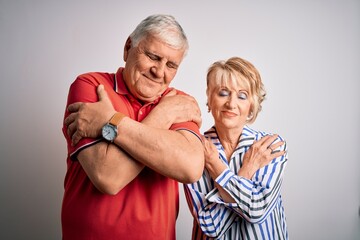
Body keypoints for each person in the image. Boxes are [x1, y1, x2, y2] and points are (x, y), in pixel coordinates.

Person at [61, 14, 204, 240]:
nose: (159, 71)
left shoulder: (178, 102)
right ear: (128, 47)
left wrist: (109, 121)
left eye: (171, 65)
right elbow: (108, 176)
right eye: (153, 56)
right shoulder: (90, 86)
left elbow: (191, 168)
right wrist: (164, 114)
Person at [184, 57, 289, 239]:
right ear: (209, 98)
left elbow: (257, 210)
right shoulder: (193, 148)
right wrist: (247, 172)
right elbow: (210, 227)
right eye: (223, 93)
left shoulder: (269, 147)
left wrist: (216, 167)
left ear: (251, 106)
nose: (231, 104)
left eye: (242, 96)